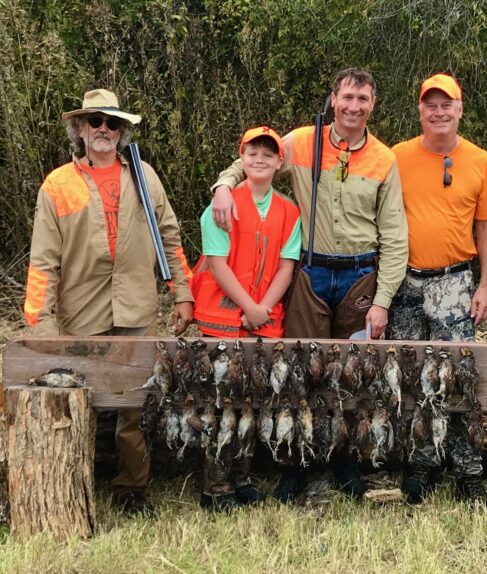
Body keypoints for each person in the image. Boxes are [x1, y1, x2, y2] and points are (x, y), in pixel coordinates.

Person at [211, 68, 408, 500]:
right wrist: (225, 186)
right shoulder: (301, 141)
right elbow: (253, 157)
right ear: (333, 99)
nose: (354, 106)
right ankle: (295, 462)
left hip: (360, 276)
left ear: (373, 104)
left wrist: (383, 300)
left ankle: (344, 462)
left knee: (352, 373)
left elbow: (395, 235)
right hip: (311, 273)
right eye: (347, 97)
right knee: (300, 368)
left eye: (363, 99)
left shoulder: (384, 158)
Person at [24, 89, 194, 515]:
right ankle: (72, 485)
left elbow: (170, 238)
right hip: (82, 313)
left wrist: (183, 294)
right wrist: (42, 329)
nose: (103, 129)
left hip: (136, 308)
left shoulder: (145, 176)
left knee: (133, 407)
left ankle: (131, 490)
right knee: (79, 403)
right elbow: (43, 264)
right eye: (95, 121)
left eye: (112, 123)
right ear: (79, 128)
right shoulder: (58, 185)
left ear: (122, 131)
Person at [388, 73, 487, 506]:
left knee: (459, 376)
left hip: (455, 281)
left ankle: (468, 469)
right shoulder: (396, 156)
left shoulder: (480, 161)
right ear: (420, 110)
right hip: (404, 282)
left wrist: (486, 285)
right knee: (414, 375)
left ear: (459, 109)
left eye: (447, 104)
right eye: (430, 105)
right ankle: (422, 462)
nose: (439, 112)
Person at [191, 126, 301, 510]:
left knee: (252, 401)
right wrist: (247, 308)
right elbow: (217, 265)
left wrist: (263, 309)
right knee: (221, 403)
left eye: (268, 154)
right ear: (242, 157)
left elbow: (287, 267)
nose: (260, 159)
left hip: (264, 320)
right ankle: (216, 485)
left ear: (279, 162)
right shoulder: (222, 205)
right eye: (253, 152)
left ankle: (243, 476)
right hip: (222, 319)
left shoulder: (289, 210)